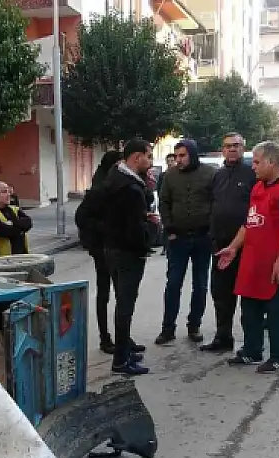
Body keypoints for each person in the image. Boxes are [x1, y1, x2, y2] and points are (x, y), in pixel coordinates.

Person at [215, 142, 279, 373]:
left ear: (271, 162)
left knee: (278, 312)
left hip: (277, 263)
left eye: (256, 162)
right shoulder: (258, 187)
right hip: (254, 261)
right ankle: (251, 351)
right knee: (250, 310)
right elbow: (250, 222)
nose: (252, 167)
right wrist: (234, 247)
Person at [76, 150, 144, 355]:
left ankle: (123, 338)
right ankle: (105, 338)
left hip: (117, 246)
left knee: (122, 296)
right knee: (105, 292)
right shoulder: (102, 188)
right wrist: (108, 228)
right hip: (103, 248)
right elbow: (82, 217)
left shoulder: (121, 185)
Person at [101, 139, 159, 375]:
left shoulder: (115, 179)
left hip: (113, 249)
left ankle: (123, 351)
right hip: (127, 254)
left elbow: (121, 217)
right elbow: (134, 231)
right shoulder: (131, 188)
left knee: (122, 305)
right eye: (149, 156)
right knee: (125, 307)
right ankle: (121, 361)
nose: (151, 162)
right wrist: (152, 232)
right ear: (137, 158)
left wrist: (143, 215)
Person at [156, 139, 215, 345]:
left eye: (182, 155)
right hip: (177, 238)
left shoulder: (210, 174)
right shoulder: (170, 176)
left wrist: (211, 229)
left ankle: (194, 325)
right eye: (176, 156)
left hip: (202, 238)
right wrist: (169, 229)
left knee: (200, 285)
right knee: (173, 284)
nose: (178, 160)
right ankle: (168, 328)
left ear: (192, 154)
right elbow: (163, 202)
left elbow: (216, 202)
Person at [202, 133, 257, 353]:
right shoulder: (218, 175)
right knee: (221, 295)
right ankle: (223, 337)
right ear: (222, 150)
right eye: (227, 146)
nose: (232, 149)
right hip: (220, 245)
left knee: (248, 296)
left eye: (236, 145)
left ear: (243, 148)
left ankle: (251, 344)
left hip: (246, 245)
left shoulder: (252, 174)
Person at [0, 181, 32, 255]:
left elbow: (28, 223)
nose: (8, 195)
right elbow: (2, 230)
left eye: (8, 191)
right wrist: (20, 228)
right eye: (4, 192)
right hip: (4, 258)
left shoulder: (14, 209)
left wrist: (13, 223)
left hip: (22, 254)